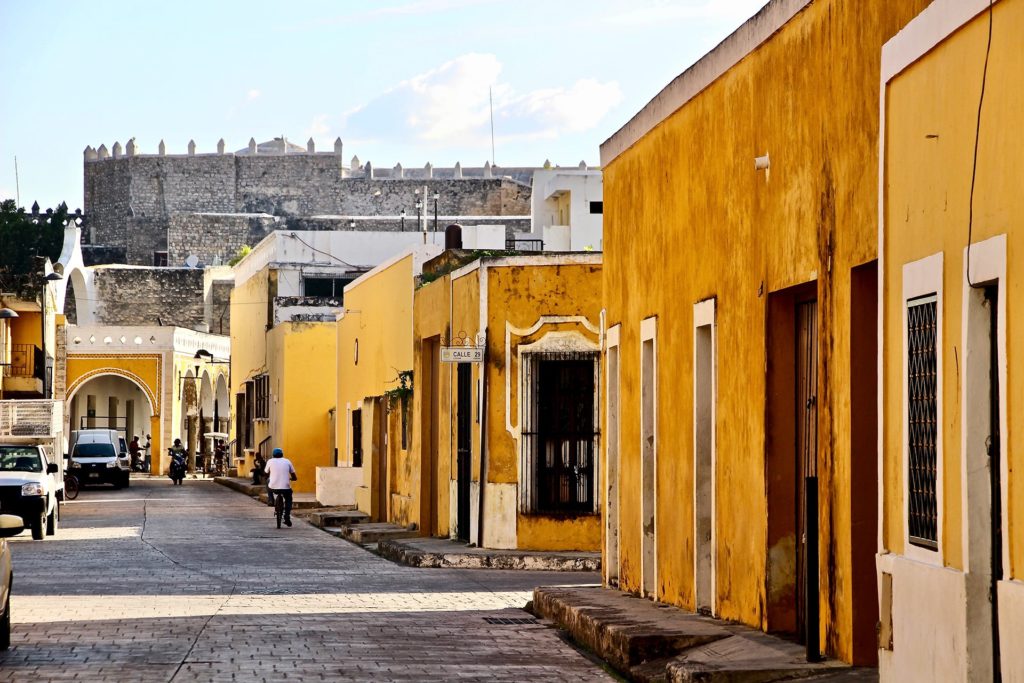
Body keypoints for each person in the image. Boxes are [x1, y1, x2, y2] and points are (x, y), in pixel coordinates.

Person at [264, 447, 296, 527]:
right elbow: (294, 475)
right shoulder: (287, 461)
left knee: (268, 481)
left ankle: (271, 499)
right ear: (282, 454)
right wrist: (293, 479)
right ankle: (287, 516)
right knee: (289, 499)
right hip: (285, 488)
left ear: (273, 455)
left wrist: (270, 475)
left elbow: (265, 473)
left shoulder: (270, 461)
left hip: (273, 487)